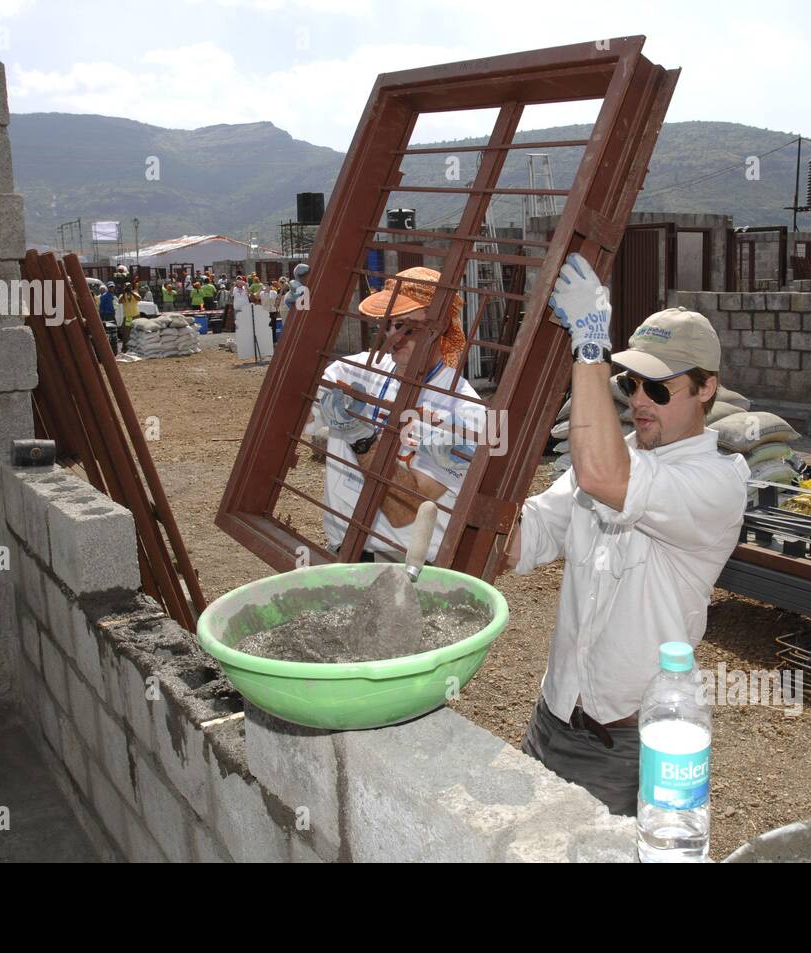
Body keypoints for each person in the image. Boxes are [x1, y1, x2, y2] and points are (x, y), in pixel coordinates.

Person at [509, 253, 748, 816]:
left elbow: (603, 475)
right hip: (553, 715)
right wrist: (451, 488)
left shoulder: (716, 483)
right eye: (632, 382)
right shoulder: (619, 456)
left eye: (659, 389)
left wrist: (588, 347)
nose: (639, 399)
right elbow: (528, 539)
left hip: (623, 746)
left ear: (706, 389)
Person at [315, 265, 483, 563]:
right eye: (390, 324)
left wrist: (360, 437)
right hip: (344, 547)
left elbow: (406, 512)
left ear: (440, 327)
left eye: (409, 328)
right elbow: (307, 403)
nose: (394, 337)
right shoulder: (356, 371)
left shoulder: (464, 412)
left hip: (405, 563)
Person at [98, 283, 120, 353]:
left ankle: (114, 350)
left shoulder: (113, 296)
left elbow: (116, 306)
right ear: (108, 288)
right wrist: (102, 318)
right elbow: (101, 308)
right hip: (108, 316)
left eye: (113, 287)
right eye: (110, 287)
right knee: (110, 333)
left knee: (114, 332)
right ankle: (110, 351)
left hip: (112, 315)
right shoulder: (104, 296)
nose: (112, 289)